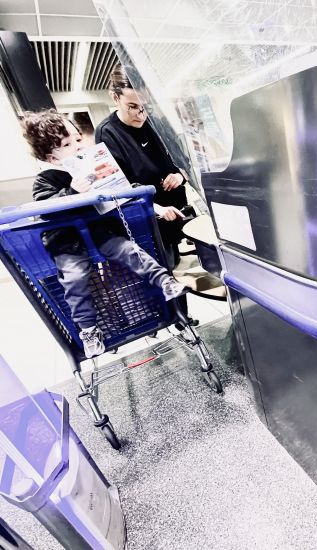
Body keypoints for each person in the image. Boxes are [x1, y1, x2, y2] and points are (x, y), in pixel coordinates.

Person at [22, 109, 189, 359]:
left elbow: (122, 190)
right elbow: (46, 208)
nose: (77, 146)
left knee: (130, 251)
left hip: (101, 232)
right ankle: (88, 329)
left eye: (78, 139)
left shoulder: (93, 166)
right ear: (52, 157)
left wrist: (152, 203)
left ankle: (165, 282)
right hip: (67, 242)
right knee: (74, 278)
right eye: (67, 145)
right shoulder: (46, 179)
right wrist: (71, 192)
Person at [94, 63, 189, 269]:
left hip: (175, 214)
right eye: (132, 106)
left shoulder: (156, 123)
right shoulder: (107, 133)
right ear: (115, 97)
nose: (140, 115)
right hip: (145, 220)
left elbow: (184, 162)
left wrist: (179, 175)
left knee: (177, 265)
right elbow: (116, 189)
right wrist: (156, 209)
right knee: (163, 271)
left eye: (144, 106)